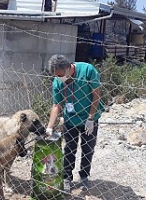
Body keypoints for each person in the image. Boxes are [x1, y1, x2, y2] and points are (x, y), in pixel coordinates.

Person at [45, 54, 105, 193]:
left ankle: (84, 176)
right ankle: (66, 178)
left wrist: (90, 119)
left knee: (87, 148)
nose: (59, 78)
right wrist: (49, 127)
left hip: (89, 118)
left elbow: (96, 95)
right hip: (70, 119)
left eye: (60, 75)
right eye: (56, 76)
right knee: (69, 149)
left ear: (68, 68)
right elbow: (57, 104)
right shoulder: (58, 81)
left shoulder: (87, 71)